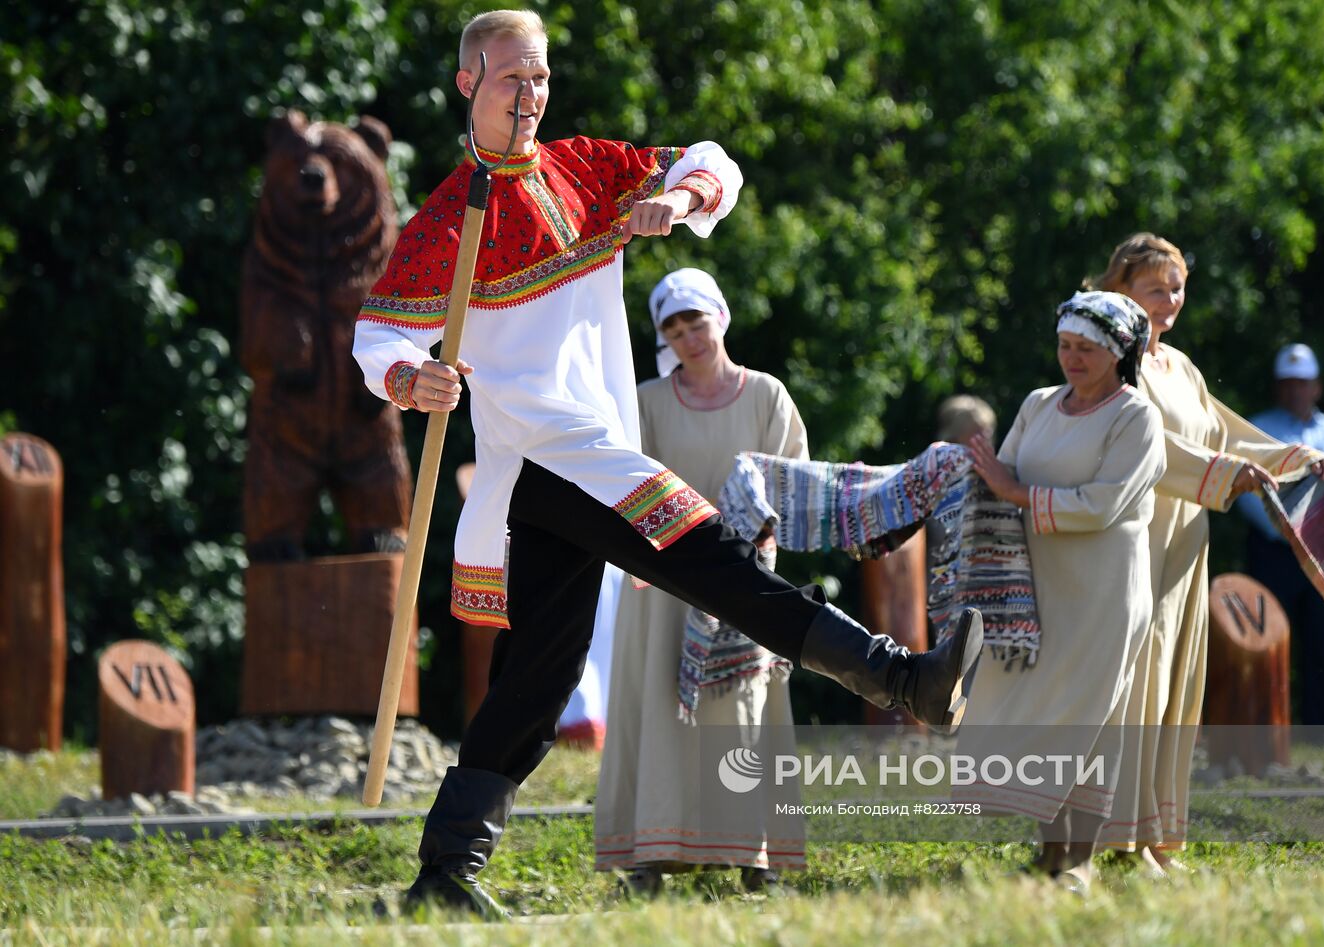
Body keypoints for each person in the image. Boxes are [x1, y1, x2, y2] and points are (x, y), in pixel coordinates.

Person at [351, 10, 980, 917]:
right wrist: (415, 379)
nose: (528, 97)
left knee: (540, 673)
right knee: (720, 566)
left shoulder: (584, 169)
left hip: (591, 453)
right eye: (508, 80)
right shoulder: (448, 216)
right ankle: (900, 677)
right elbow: (379, 335)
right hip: (549, 456)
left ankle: (446, 872)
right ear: (467, 85)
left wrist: (678, 202)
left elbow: (712, 159)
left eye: (539, 79)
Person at [1089, 234, 1324, 871]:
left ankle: (1160, 836)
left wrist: (1290, 459)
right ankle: (1120, 834)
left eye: (1176, 288)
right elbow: (1154, 452)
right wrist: (1228, 476)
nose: (1168, 301)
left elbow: (1226, 438)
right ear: (1120, 292)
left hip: (1187, 538)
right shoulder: (1114, 364)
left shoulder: (1182, 368)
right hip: (1136, 536)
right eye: (1154, 288)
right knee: (1138, 679)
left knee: (1177, 681)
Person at [594, 267, 808, 895]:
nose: (689, 336)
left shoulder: (766, 394)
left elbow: (790, 479)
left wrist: (757, 531)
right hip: (665, 578)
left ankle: (754, 855)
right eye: (674, 327)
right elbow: (628, 485)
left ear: (720, 317)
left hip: (745, 572)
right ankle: (652, 854)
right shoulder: (649, 402)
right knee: (661, 707)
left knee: (740, 709)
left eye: (697, 321)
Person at [965, 290, 1165, 894]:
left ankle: (1080, 859)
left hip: (1104, 589)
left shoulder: (1137, 417)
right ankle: (1051, 854)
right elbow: (999, 476)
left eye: (1085, 349)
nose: (1070, 359)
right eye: (1064, 345)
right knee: (1047, 711)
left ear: (1118, 353)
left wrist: (1014, 490)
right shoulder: (1037, 404)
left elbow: (1105, 503)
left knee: (1092, 718)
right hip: (1038, 585)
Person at [1235, 344, 1324, 731]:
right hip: (1274, 551)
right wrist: (1287, 530)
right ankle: (1261, 732)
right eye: (1288, 383)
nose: (1296, 391)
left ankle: (1322, 730)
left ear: (1318, 387)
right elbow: (1247, 492)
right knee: (1266, 640)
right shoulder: (1258, 429)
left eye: (1303, 383)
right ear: (1279, 388)